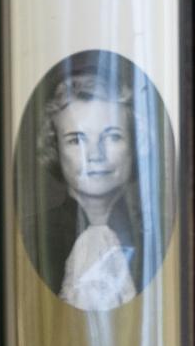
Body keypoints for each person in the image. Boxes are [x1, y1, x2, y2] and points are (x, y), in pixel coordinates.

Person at [33, 52, 154, 310]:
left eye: (112, 137)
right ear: (55, 147)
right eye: (76, 140)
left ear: (134, 143)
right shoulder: (37, 236)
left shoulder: (155, 236)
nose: (95, 155)